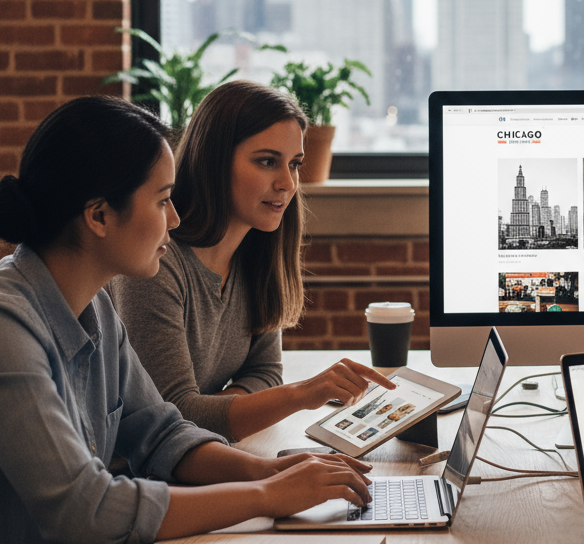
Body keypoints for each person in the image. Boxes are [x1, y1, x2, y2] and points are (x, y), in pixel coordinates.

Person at [0, 96, 373, 544]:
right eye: (162, 200)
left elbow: (164, 433)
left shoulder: (95, 306)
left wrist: (268, 472)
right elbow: (84, 508)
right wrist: (265, 497)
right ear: (99, 215)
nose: (174, 219)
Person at [109, 81, 394, 442]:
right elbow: (174, 418)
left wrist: (215, 409)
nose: (288, 183)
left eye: (294, 165)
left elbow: (265, 372)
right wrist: (303, 393)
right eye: (267, 162)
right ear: (214, 160)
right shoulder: (156, 262)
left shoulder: (255, 258)